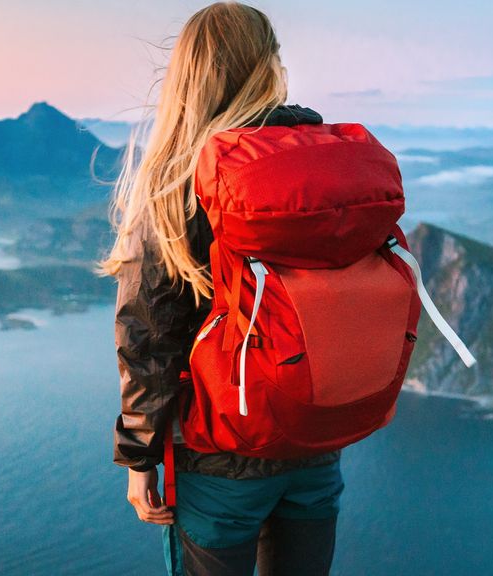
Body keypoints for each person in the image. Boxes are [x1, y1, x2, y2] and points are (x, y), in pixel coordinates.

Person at [103, 2, 344, 574]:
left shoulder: (178, 179)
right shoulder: (321, 160)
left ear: (187, 74)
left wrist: (139, 460)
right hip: (314, 441)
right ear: (271, 65)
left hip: (220, 456)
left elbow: (148, 332)